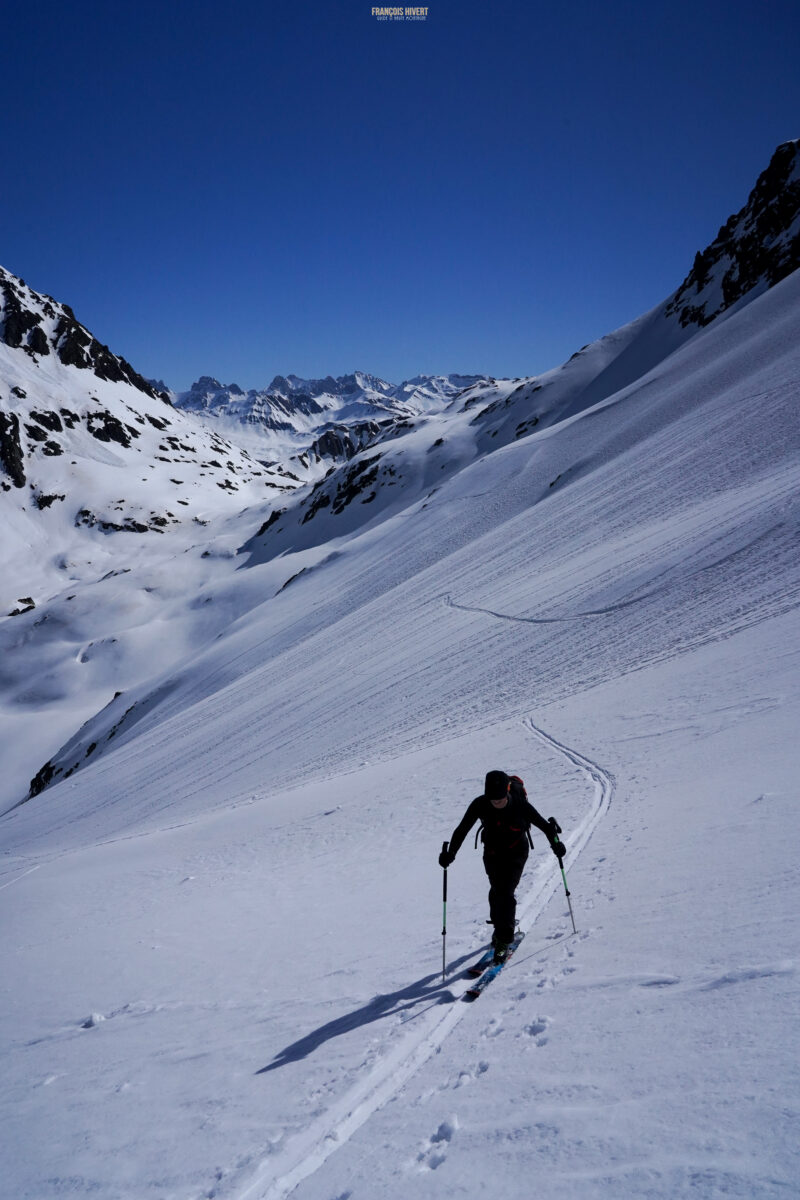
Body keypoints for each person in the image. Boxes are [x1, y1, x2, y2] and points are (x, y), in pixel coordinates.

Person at [439, 769, 565, 962]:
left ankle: (504, 941)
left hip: (517, 851)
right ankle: (500, 928)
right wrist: (451, 854)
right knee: (496, 891)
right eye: (493, 800)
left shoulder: (520, 805)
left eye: (500, 800)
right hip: (492, 852)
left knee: (506, 892)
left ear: (507, 792)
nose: (496, 803)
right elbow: (462, 829)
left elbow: (544, 825)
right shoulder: (480, 804)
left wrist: (556, 844)